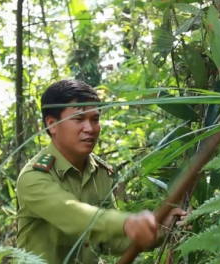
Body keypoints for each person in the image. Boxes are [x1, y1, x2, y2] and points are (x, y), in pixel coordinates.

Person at [16, 79, 191, 264]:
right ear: (52, 124)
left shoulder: (99, 172)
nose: (90, 128)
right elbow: (74, 216)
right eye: (78, 119)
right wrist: (128, 223)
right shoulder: (34, 177)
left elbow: (110, 242)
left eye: (95, 119)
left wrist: (159, 228)